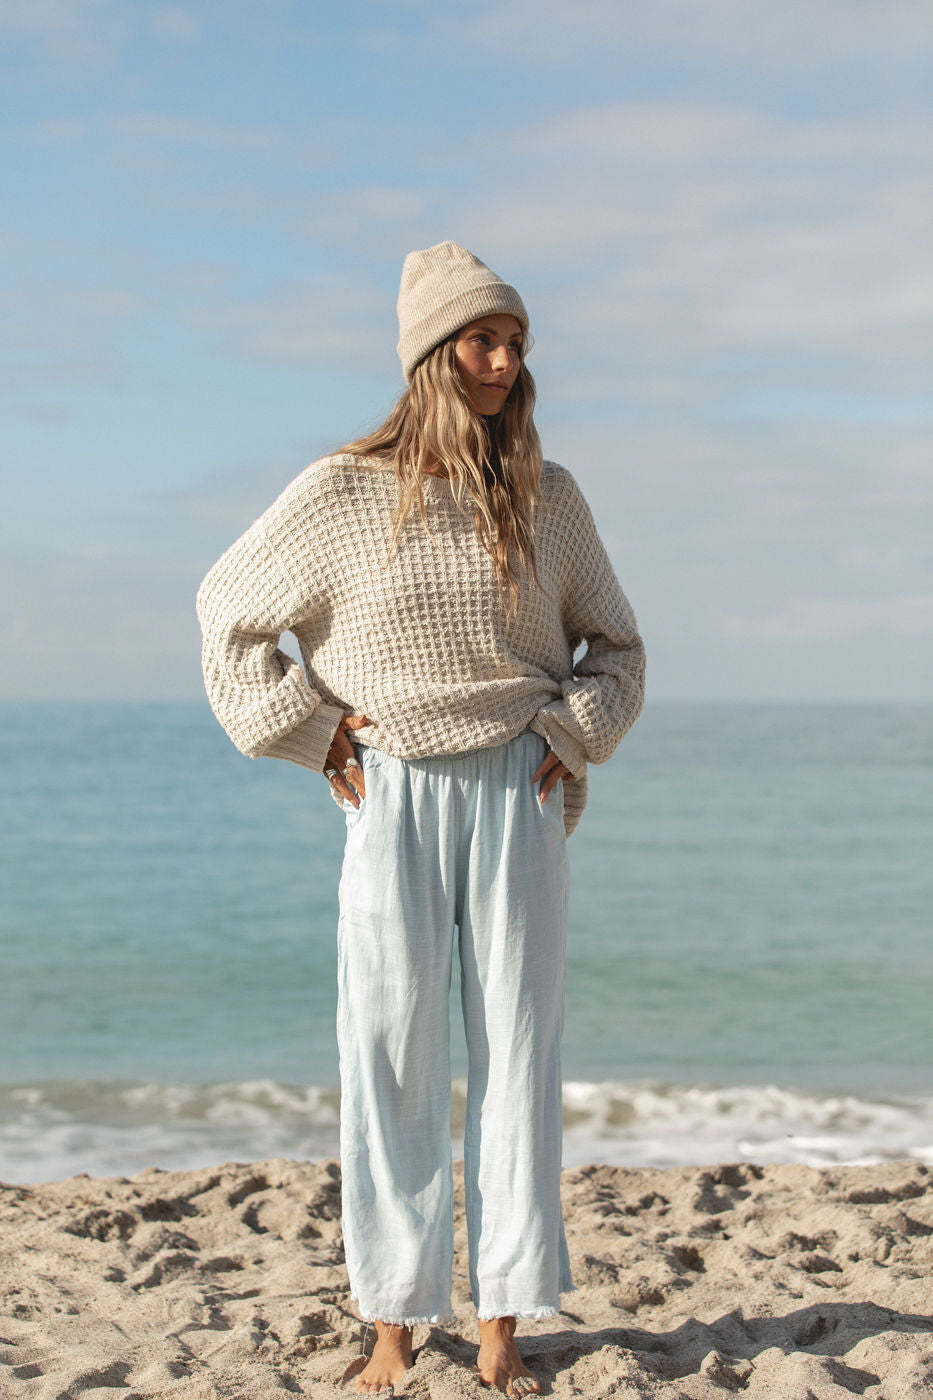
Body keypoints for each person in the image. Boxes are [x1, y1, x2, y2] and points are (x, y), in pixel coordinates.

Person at [195, 240, 646, 1397]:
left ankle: (502, 1322)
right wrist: (310, 730)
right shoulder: (340, 491)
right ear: (432, 353)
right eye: (483, 339)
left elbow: (618, 647)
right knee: (391, 1054)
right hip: (388, 788)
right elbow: (227, 612)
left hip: (518, 788)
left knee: (518, 1055)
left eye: (516, 342)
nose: (503, 361)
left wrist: (571, 733)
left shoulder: (549, 495)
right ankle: (393, 1319)